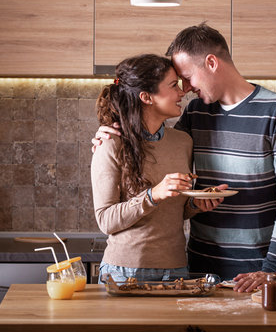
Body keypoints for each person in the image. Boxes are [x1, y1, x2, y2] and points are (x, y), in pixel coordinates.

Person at [92, 24, 276, 292]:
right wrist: (111, 134)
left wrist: (272, 269)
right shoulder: (196, 113)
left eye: (185, 77)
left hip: (255, 270)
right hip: (196, 269)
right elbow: (156, 149)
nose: (184, 89)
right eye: (177, 83)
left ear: (211, 63)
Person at [91, 53, 222, 283]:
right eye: (173, 85)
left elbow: (174, 211)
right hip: (125, 273)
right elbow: (106, 220)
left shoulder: (183, 142)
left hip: (176, 271)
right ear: (146, 97)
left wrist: (196, 204)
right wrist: (152, 195)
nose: (182, 92)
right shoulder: (110, 143)